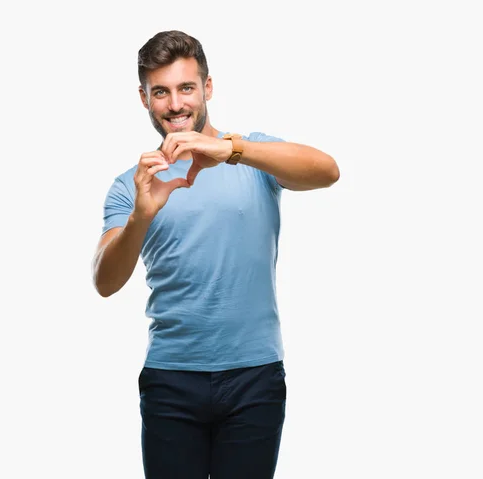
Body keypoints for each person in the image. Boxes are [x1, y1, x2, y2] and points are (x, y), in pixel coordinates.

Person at [92, 30, 339, 479]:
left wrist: (233, 150)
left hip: (254, 376)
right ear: (144, 99)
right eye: (160, 92)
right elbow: (105, 282)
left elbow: (327, 172)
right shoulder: (132, 184)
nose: (175, 104)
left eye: (186, 87)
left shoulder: (251, 156)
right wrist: (141, 217)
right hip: (171, 377)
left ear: (207, 88)